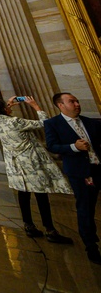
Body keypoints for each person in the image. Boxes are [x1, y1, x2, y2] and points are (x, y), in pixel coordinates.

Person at [0, 96, 73, 243]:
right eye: (7, 106)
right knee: (41, 194)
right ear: (4, 109)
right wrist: (35, 106)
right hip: (30, 162)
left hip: (16, 164)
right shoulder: (15, 121)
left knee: (23, 193)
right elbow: (44, 123)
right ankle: (50, 230)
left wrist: (7, 104)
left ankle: (29, 225)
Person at [44, 92, 101, 264]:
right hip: (80, 172)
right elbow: (52, 145)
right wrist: (73, 147)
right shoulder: (53, 124)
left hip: (98, 168)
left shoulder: (90, 121)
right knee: (86, 207)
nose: (77, 104)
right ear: (61, 105)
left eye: (77, 101)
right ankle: (91, 245)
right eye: (72, 101)